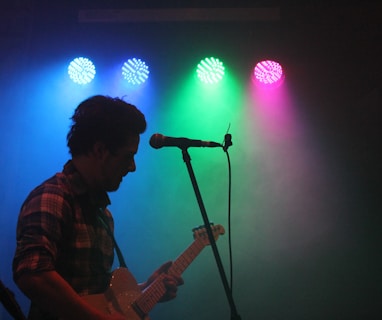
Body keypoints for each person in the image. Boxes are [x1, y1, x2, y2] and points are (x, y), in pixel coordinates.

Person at [12, 95, 183, 320]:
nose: (132, 167)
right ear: (100, 150)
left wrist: (146, 290)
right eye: (128, 157)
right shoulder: (52, 197)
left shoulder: (103, 215)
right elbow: (33, 275)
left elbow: (99, 298)